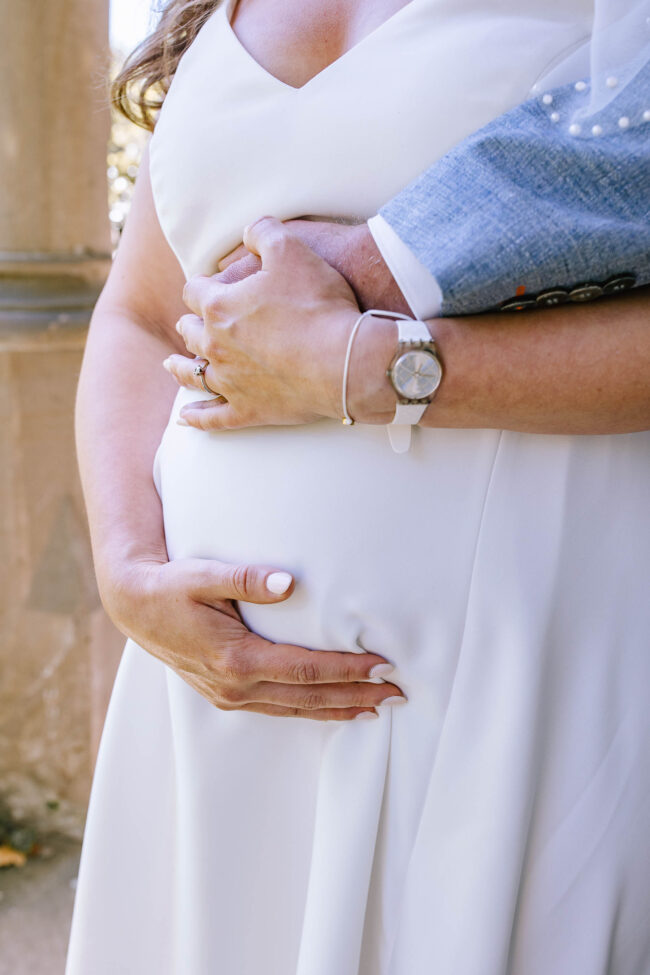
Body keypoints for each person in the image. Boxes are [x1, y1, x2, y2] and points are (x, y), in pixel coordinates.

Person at [66, 0, 650, 973]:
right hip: (212, 708)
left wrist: (372, 368)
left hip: (519, 675)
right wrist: (127, 570)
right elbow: (140, 312)